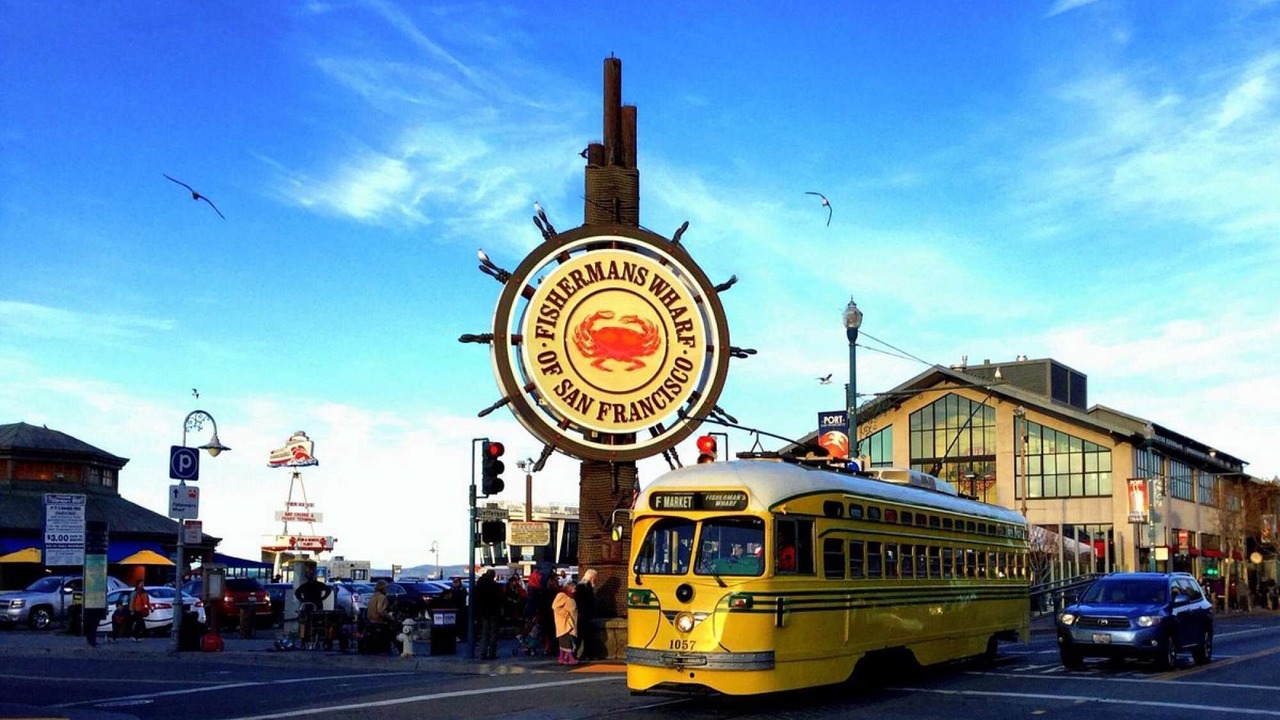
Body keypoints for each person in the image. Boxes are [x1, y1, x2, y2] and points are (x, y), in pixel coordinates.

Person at [475, 569, 504, 660]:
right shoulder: (495, 586)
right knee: (493, 634)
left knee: (484, 634)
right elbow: (501, 599)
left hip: (483, 612)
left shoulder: (480, 585)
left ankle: (483, 653)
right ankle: (492, 653)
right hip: (494, 611)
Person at [361, 580, 392, 654]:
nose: (387, 589)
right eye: (386, 587)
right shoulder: (382, 597)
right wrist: (391, 618)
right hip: (379, 621)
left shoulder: (373, 596)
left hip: (370, 620)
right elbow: (381, 611)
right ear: (383, 588)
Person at [551, 580, 578, 665]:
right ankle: (570, 658)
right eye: (574, 588)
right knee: (566, 640)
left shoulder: (569, 596)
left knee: (564, 640)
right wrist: (566, 614)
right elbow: (555, 606)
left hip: (569, 621)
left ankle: (562, 658)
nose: (575, 590)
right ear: (570, 588)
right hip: (565, 622)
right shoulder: (562, 595)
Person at [573, 569, 597, 661]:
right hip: (583, 615)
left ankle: (586, 654)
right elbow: (582, 602)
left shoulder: (588, 586)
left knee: (587, 636)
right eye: (594, 577)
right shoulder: (582, 587)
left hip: (587, 615)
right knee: (580, 636)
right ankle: (575, 654)